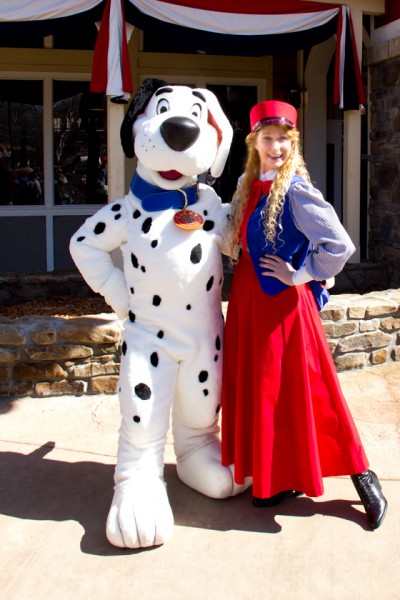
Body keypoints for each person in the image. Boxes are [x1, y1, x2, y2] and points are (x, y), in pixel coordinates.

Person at [221, 99, 388, 530]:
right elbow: (233, 241)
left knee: (312, 392)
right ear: (254, 141)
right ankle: (280, 480)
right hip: (249, 303)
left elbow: (339, 244)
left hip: (284, 309)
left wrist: (303, 275)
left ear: (292, 143)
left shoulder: (295, 189)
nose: (275, 146)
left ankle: (363, 476)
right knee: (269, 395)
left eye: (283, 139)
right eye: (267, 138)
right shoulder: (246, 184)